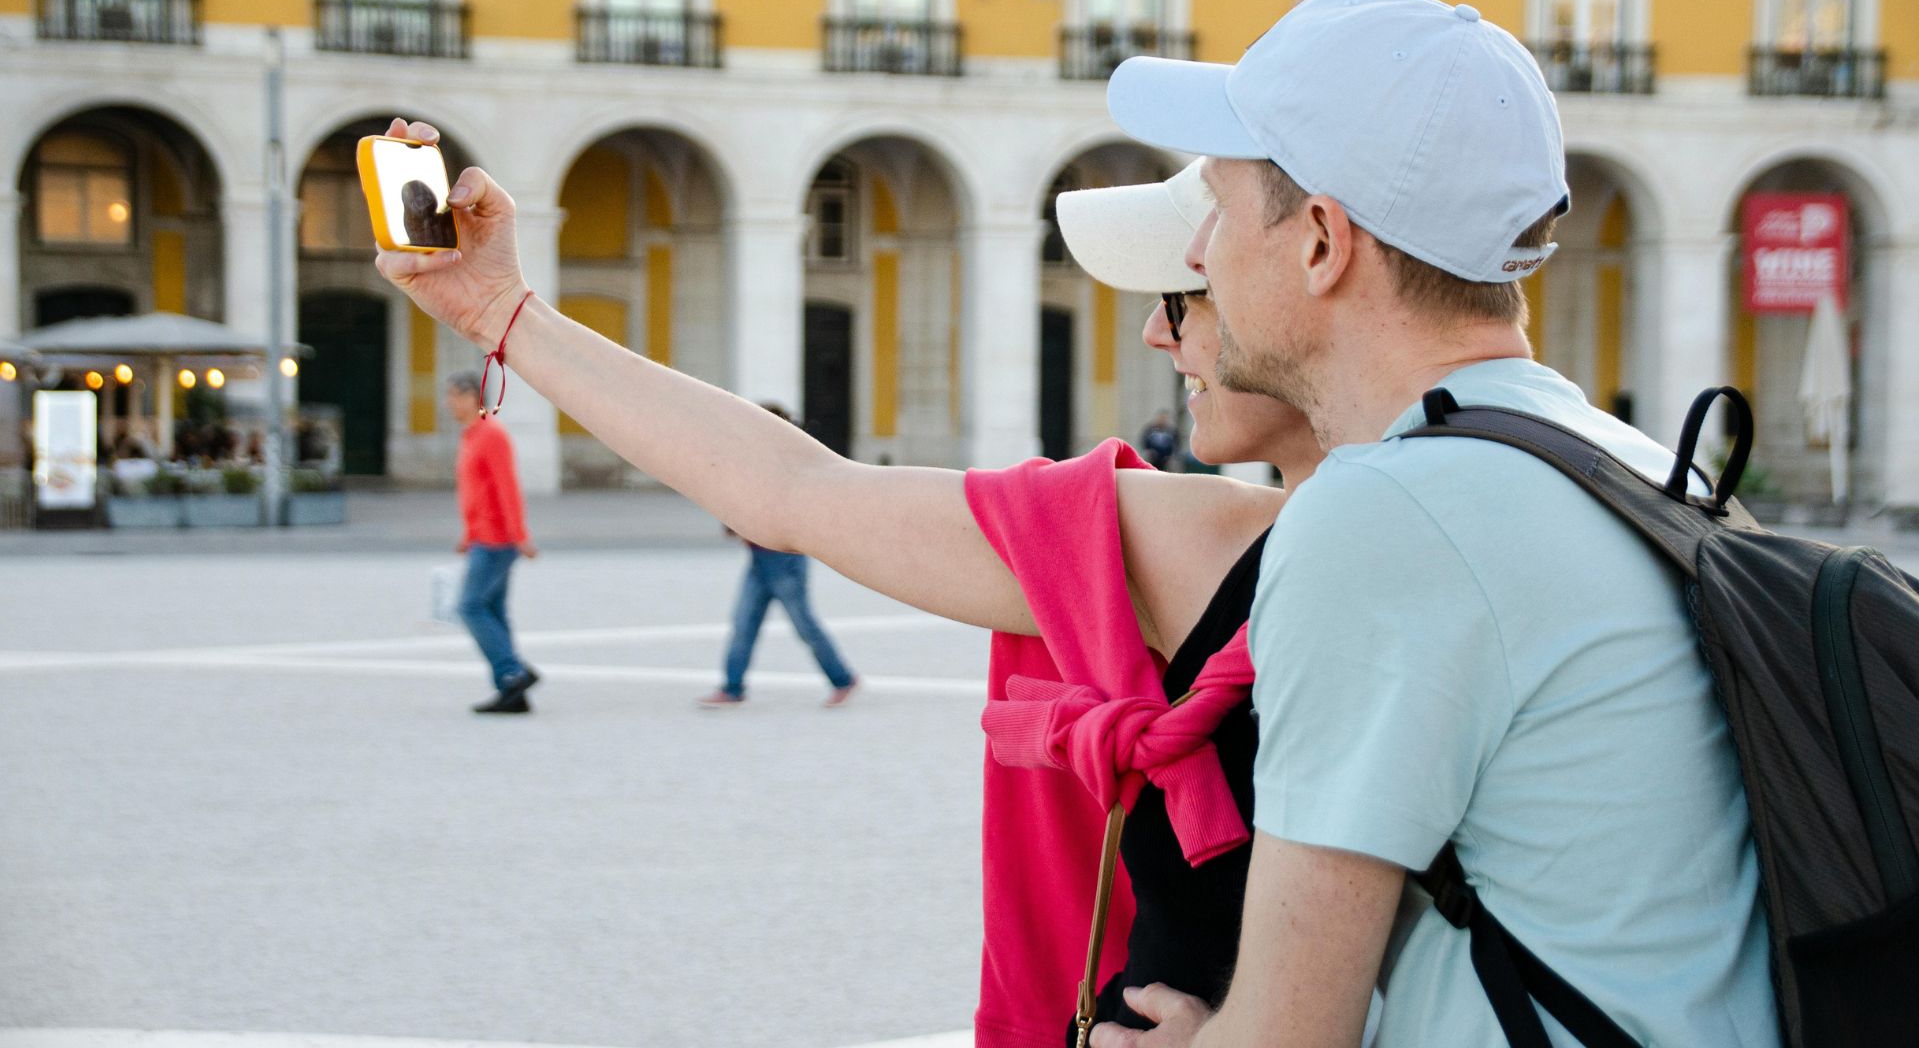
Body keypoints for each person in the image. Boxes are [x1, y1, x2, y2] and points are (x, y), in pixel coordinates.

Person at [372, 128, 1319, 1044]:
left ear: (1325, 260)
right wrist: (502, 316)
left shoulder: (1215, 550)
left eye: (1189, 290)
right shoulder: (1224, 543)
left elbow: (793, 492)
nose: (1158, 329)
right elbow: (790, 488)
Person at [1081, 0, 1776, 1046]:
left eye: (1219, 206)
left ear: (1322, 240)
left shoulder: (1384, 516)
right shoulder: (1621, 461)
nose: (1196, 254)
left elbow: (1284, 1035)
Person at [697, 403, 860, 709]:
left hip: (784, 558)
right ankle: (732, 687)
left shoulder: (787, 463)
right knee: (744, 622)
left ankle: (842, 679)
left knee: (803, 624)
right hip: (760, 556)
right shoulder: (756, 460)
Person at [445, 370, 541, 715]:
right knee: (494, 611)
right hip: (482, 537)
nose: (449, 403)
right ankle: (512, 691)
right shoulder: (470, 436)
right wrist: (467, 535)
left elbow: (507, 489)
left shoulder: (491, 436)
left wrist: (520, 535)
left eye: (454, 396)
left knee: (470, 607)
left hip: (497, 538)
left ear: (473, 397)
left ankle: (512, 672)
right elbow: (476, 493)